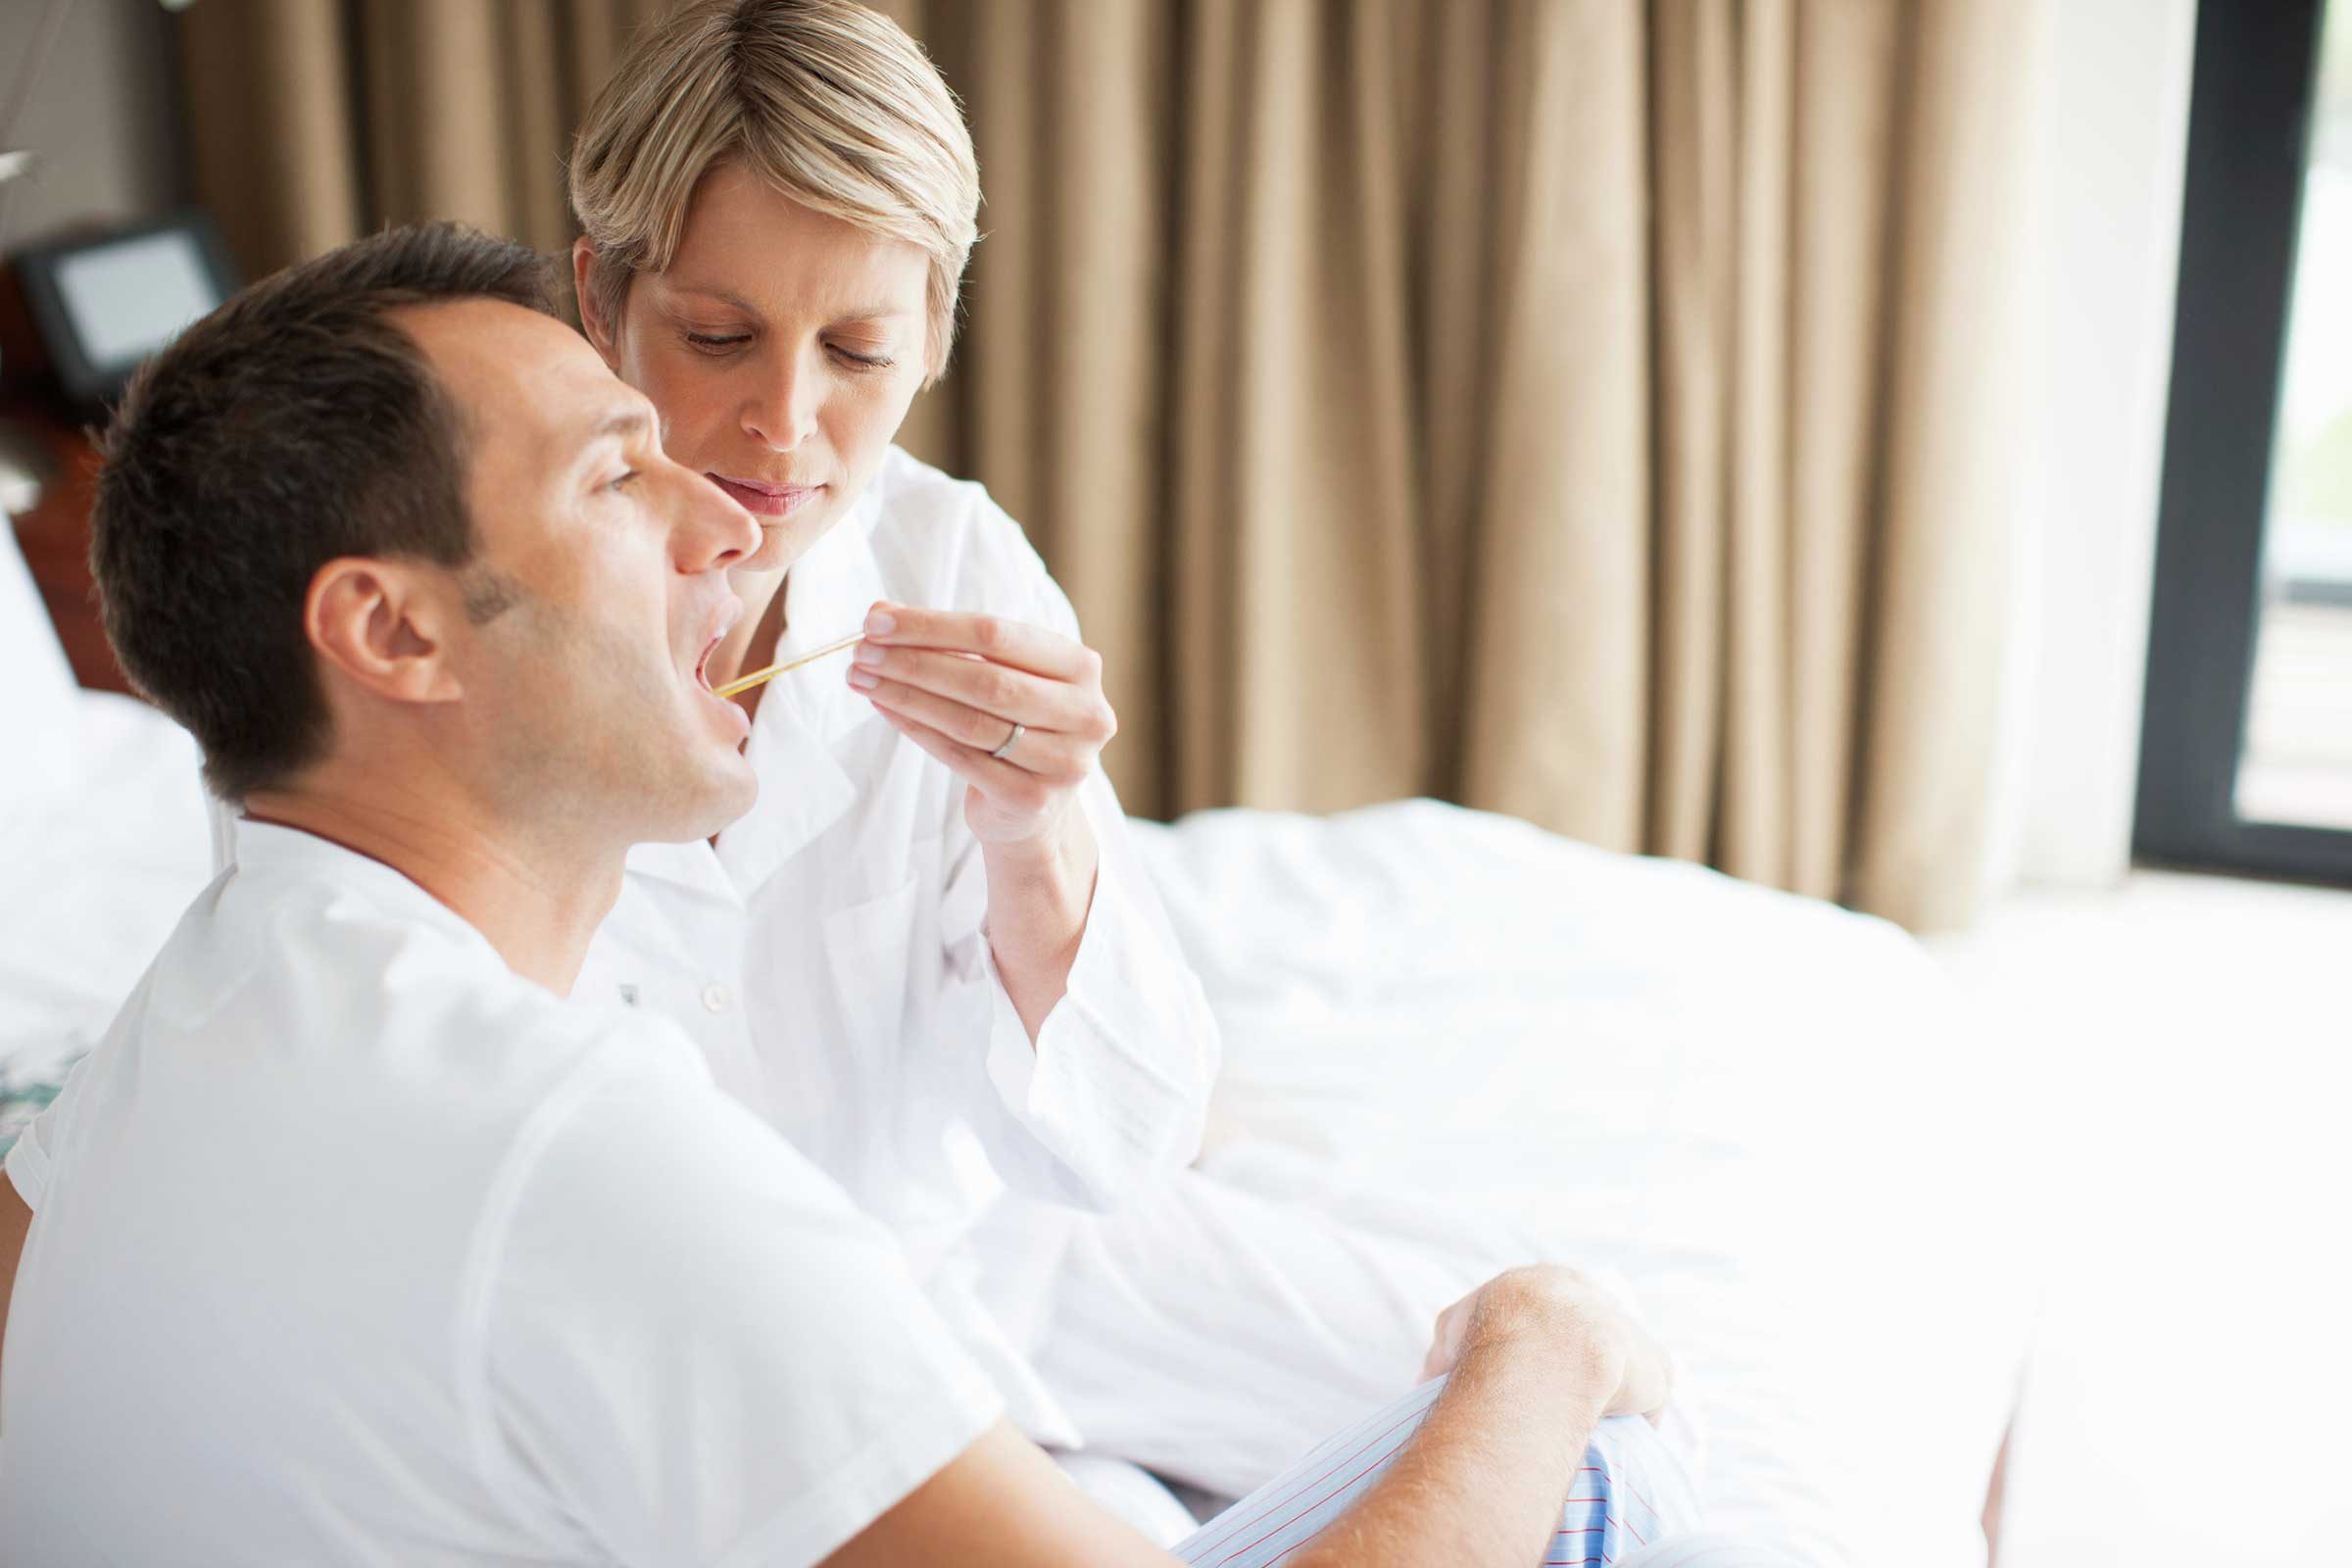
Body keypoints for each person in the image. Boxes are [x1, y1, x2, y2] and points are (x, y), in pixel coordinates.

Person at [0, 222, 1760, 1568]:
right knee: (1594, 1462)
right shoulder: (579, 1162)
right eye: (620, 473)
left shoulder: (198, 1006)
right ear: (390, 631)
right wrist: (1546, 1338)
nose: (728, 518)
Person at [547, 0, 1690, 1520]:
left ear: (937, 336)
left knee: (1596, 1443)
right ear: (599, 299)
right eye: (717, 335)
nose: (786, 420)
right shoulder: (497, 624)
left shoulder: (948, 559)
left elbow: (1111, 1146)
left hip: (1003, 1259)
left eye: (862, 351)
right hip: (703, 1376)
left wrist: (1034, 833)